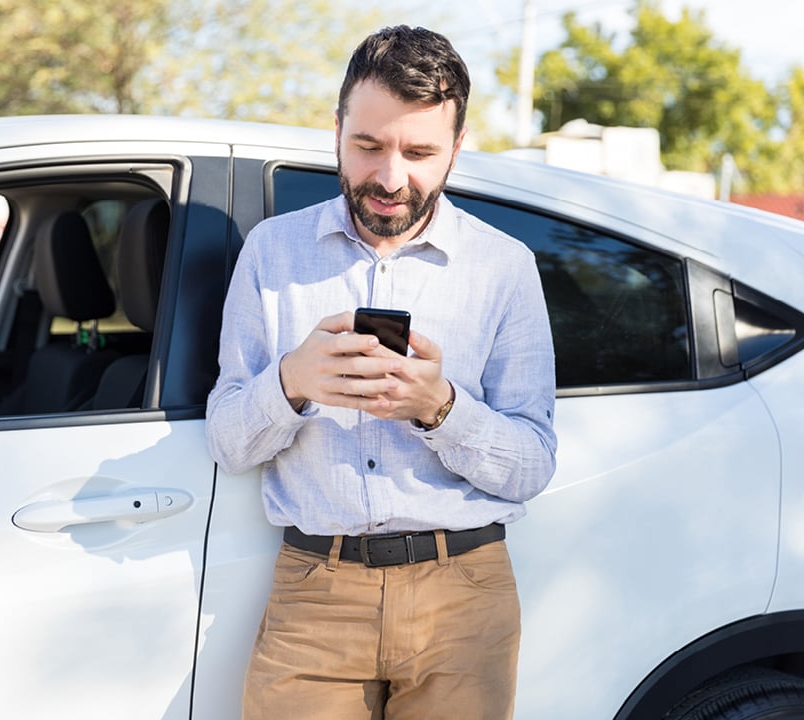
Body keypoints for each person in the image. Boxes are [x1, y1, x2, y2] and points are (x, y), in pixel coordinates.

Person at [205, 25, 557, 720]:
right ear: (336, 131)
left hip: (465, 596)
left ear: (457, 149)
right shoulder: (272, 253)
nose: (391, 178)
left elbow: (532, 465)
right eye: (368, 146)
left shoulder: (505, 267)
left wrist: (442, 407)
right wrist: (291, 383)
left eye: (420, 152)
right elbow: (227, 442)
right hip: (315, 592)